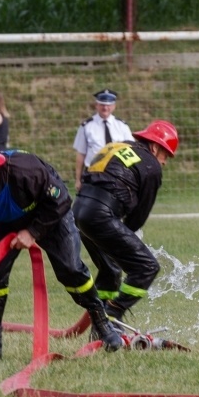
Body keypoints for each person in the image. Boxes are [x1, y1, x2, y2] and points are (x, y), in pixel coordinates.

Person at [0, 139, 122, 359]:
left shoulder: (26, 171)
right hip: (7, 220)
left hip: (50, 213)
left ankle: (102, 323)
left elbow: (61, 199)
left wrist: (32, 232)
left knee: (70, 270)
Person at [72, 120, 178, 325]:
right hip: (100, 215)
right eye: (165, 155)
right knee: (147, 267)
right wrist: (124, 234)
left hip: (79, 211)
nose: (164, 162)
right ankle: (112, 317)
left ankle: (100, 330)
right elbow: (138, 217)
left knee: (110, 270)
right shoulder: (151, 164)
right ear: (155, 147)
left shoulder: (121, 146)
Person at [72, 88, 132, 193]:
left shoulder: (122, 126)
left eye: (108, 105)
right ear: (96, 105)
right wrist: (78, 179)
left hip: (117, 173)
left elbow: (131, 152)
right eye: (102, 104)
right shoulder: (87, 126)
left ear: (114, 106)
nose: (105, 108)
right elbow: (81, 154)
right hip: (93, 173)